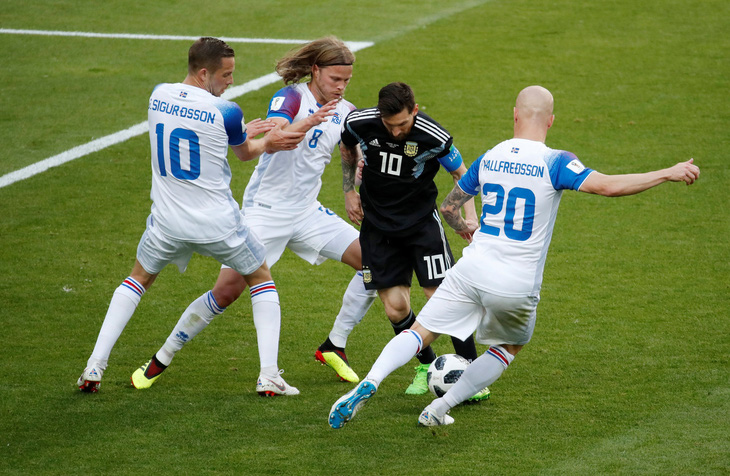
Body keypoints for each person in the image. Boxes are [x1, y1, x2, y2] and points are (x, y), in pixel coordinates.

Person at [328, 85, 700, 428]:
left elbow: (451, 206)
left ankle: (371, 381)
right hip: (515, 282)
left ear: (515, 116)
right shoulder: (556, 161)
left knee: (421, 330)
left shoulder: (492, 155)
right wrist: (667, 172)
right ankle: (439, 407)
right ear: (551, 120)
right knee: (509, 346)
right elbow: (606, 186)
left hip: (473, 267)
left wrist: (467, 229)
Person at [127, 36, 380, 395]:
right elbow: (276, 134)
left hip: (308, 213)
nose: (340, 86)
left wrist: (349, 188)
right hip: (266, 213)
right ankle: (161, 358)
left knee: (377, 265)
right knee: (226, 292)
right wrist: (308, 121)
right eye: (335, 79)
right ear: (315, 70)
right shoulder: (292, 97)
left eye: (346, 81)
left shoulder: (345, 109)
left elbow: (348, 148)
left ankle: (333, 345)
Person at [76, 36, 310, 393]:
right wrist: (270, 142)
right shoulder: (226, 112)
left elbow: (191, 135)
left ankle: (94, 366)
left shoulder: (158, 94)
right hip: (218, 223)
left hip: (167, 222)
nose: (231, 81)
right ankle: (269, 376)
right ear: (204, 73)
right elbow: (247, 153)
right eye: (227, 74)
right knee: (261, 278)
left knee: (137, 280)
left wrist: (240, 133)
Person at [336, 82, 484, 397]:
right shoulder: (359, 123)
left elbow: (463, 175)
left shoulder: (434, 136)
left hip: (420, 226)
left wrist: (467, 219)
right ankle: (424, 365)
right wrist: (349, 190)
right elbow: (347, 147)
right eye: (390, 125)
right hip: (377, 229)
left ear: (414, 111)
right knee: (395, 309)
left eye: (403, 124)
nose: (396, 131)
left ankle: (472, 370)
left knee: (442, 298)